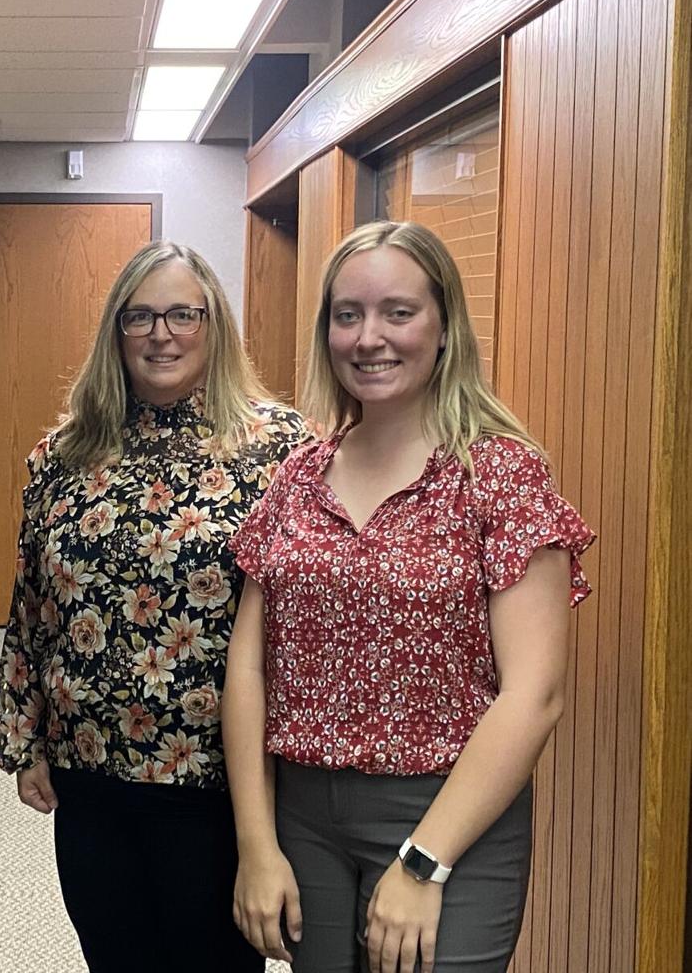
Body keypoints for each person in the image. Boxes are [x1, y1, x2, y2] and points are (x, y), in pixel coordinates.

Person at [223, 220, 595, 973]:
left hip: (447, 812)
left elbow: (534, 695)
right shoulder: (298, 476)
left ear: (443, 326)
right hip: (303, 814)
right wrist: (255, 847)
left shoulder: (498, 475)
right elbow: (248, 669)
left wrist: (424, 863)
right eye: (347, 314)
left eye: (398, 311)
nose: (368, 337)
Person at [0, 240, 309, 972]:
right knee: (114, 954)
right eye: (139, 317)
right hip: (90, 769)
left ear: (213, 325)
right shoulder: (63, 455)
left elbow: (300, 620)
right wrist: (23, 738)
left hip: (216, 778)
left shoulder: (282, 451)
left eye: (179, 314)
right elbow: (31, 605)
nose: (159, 334)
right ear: (115, 331)